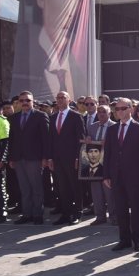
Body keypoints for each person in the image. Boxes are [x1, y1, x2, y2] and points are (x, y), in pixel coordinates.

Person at [103, 98, 139, 252]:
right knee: (120, 209)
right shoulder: (111, 130)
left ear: (131, 109)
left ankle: (138, 240)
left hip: (134, 176)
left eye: (123, 108)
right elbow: (108, 154)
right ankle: (124, 239)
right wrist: (106, 176)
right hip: (116, 176)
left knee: (135, 209)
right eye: (117, 109)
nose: (119, 111)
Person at [8, 91, 50, 225]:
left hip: (35, 158)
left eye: (28, 100)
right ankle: (27, 214)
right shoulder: (14, 117)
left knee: (36, 187)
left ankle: (37, 214)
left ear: (33, 102)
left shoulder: (41, 116)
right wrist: (11, 158)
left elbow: (46, 139)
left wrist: (45, 158)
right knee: (24, 188)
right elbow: (12, 139)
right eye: (22, 101)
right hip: (19, 158)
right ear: (19, 103)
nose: (25, 103)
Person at [46, 91, 85, 225]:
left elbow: (80, 138)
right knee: (62, 187)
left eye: (63, 98)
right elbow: (50, 139)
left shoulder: (76, 116)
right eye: (58, 98)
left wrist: (77, 158)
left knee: (75, 186)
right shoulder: (53, 117)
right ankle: (65, 213)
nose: (60, 100)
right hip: (57, 159)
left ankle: (77, 212)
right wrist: (50, 158)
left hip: (72, 158)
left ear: (69, 100)